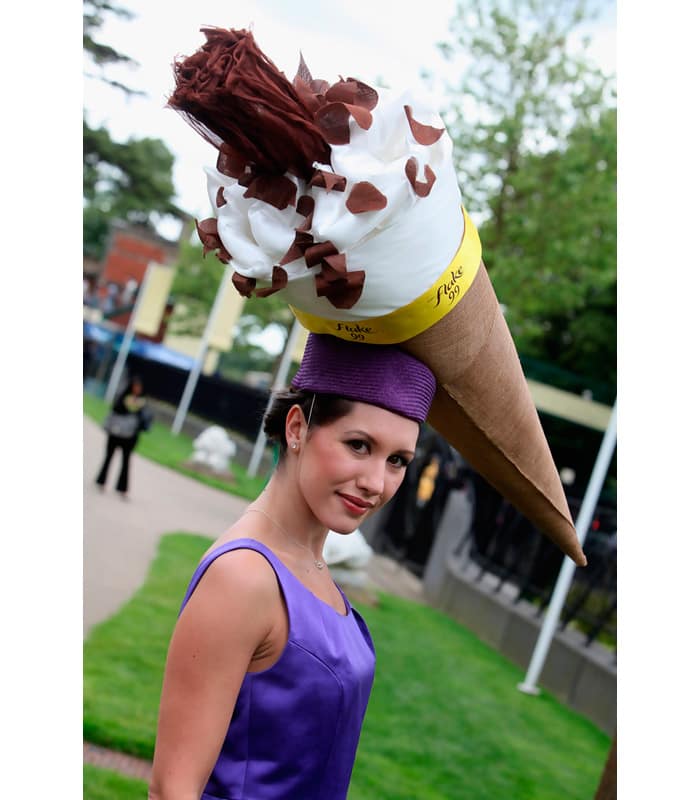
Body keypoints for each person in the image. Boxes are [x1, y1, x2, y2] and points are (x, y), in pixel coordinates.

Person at [149, 334, 436, 800]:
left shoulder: (312, 564)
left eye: (398, 460)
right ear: (298, 428)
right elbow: (171, 789)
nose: (376, 483)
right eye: (359, 445)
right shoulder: (243, 576)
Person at [95, 374, 151, 498]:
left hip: (130, 437)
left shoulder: (143, 403)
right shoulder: (122, 398)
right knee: (108, 458)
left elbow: (145, 421)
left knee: (126, 462)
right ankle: (101, 481)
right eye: (135, 387)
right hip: (115, 433)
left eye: (139, 387)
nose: (137, 389)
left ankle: (122, 488)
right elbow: (115, 410)